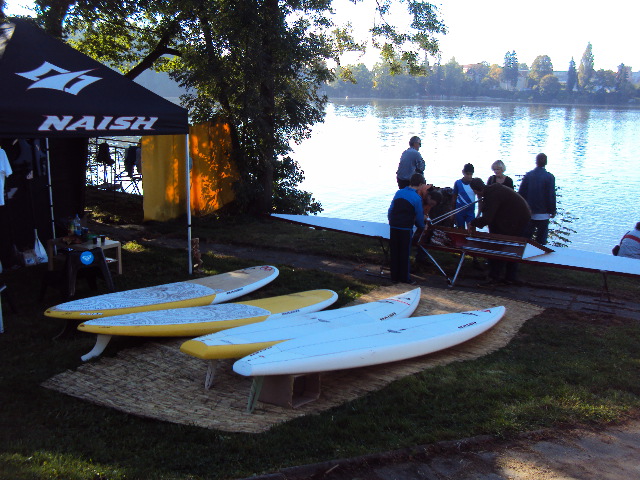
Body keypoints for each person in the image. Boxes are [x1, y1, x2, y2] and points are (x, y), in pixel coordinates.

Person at [469, 178, 531, 285]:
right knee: (509, 246)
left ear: (475, 190)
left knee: (500, 246)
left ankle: (496, 276)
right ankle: (507, 276)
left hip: (517, 220)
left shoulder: (492, 196)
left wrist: (472, 223)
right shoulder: (492, 190)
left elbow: (487, 219)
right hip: (516, 217)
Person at [388, 173, 426, 283]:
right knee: (404, 253)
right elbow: (419, 216)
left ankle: (394, 277)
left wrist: (391, 221)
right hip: (405, 228)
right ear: (420, 184)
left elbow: (391, 209)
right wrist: (422, 227)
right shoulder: (417, 198)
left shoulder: (399, 192)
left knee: (394, 252)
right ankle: (405, 278)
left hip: (394, 225)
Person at [519, 153, 556, 245]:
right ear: (546, 162)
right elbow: (551, 195)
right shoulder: (549, 177)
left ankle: (524, 252)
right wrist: (552, 210)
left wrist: (522, 209)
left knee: (526, 239)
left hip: (529, 212)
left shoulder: (528, 175)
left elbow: (521, 193)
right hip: (543, 213)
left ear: (536, 162)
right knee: (541, 241)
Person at [451, 163, 476, 230]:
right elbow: (454, 198)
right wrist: (453, 213)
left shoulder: (474, 183)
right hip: (459, 211)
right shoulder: (458, 183)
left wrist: (479, 213)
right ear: (463, 172)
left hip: (470, 211)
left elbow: (479, 198)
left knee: (472, 230)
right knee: (460, 230)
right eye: (467, 174)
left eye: (471, 174)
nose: (469, 176)